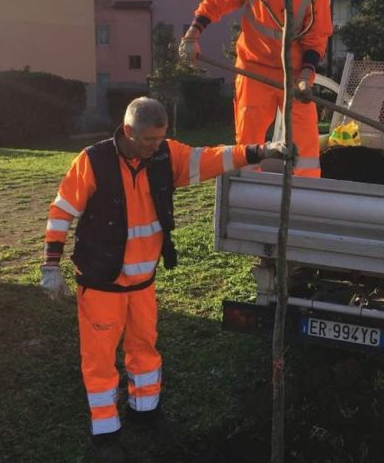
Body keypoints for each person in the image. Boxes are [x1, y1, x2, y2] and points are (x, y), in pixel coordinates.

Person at [39, 96, 290, 461]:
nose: (156, 147)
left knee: (145, 350)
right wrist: (50, 265)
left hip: (142, 282)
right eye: (148, 141)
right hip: (101, 282)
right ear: (127, 131)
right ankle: (106, 432)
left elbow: (210, 158)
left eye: (161, 139)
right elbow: (61, 211)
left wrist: (259, 150)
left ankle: (145, 412)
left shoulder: (164, 157)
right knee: (100, 359)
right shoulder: (93, 162)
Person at [178, 0, 333, 178]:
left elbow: (315, 41)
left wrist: (305, 77)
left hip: (294, 77)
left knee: (306, 144)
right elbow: (216, 2)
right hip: (252, 70)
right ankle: (247, 190)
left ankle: (305, 195)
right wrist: (192, 35)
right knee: (248, 143)